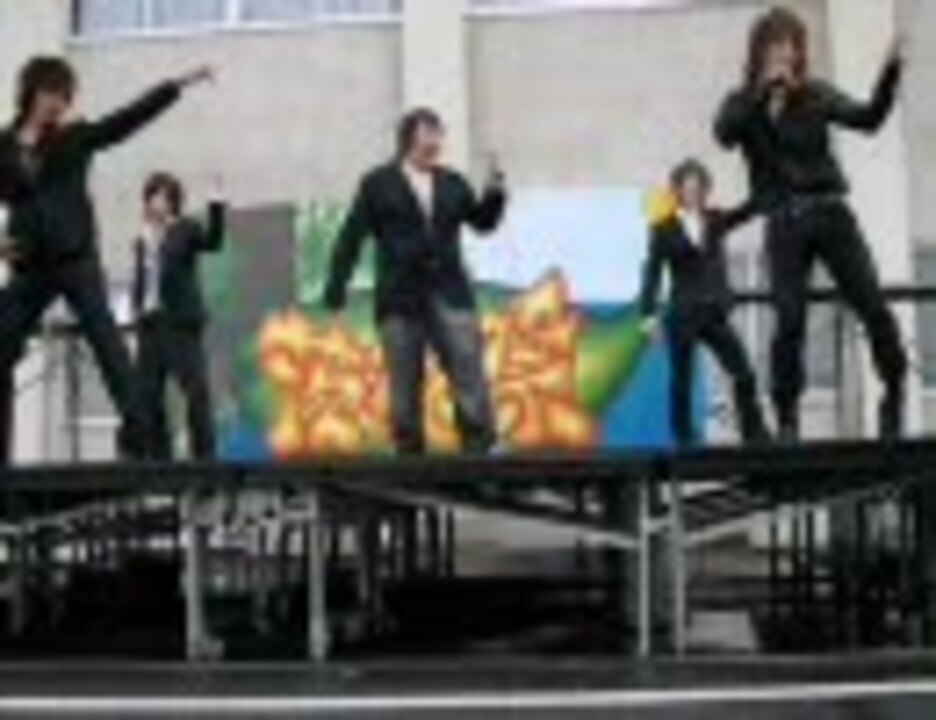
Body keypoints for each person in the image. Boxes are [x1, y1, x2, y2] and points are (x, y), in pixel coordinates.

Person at [0, 56, 214, 461]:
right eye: (51, 95)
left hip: (76, 260)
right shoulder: (4, 145)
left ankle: (144, 445)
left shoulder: (73, 137)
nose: (58, 104)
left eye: (64, 97)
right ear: (32, 93)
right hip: (30, 266)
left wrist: (176, 85)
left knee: (109, 347)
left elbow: (126, 121)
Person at [714, 7, 908, 441]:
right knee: (789, 320)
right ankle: (787, 419)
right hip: (784, 221)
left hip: (831, 213)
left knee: (873, 305)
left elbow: (869, 119)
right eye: (777, 47)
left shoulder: (815, 95)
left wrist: (890, 72)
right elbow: (723, 134)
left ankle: (894, 392)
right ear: (760, 52)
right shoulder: (742, 103)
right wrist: (762, 98)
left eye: (792, 47)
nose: (786, 55)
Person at [323, 108, 508, 455]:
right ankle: (410, 457)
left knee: (468, 369)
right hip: (399, 296)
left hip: (450, 292)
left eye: (439, 134)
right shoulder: (377, 183)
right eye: (429, 133)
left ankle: (481, 445)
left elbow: (482, 222)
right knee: (404, 382)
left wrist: (495, 192)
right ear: (409, 137)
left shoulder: (453, 183)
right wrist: (336, 287)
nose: (436, 141)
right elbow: (352, 236)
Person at [639, 159, 769, 447]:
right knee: (682, 378)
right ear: (678, 191)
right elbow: (652, 272)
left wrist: (764, 184)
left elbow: (746, 211)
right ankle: (684, 439)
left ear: (705, 190)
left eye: (699, 188)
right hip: (682, 312)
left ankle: (754, 432)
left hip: (713, 311)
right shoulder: (662, 228)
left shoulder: (716, 219)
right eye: (688, 188)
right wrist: (647, 315)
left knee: (743, 371)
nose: (694, 193)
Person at [132, 173, 226, 460]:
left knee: (195, 390)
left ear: (173, 201)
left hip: (178, 322)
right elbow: (142, 279)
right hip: (150, 323)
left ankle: (204, 457)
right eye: (153, 196)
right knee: (149, 396)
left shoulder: (185, 229)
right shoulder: (143, 236)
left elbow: (213, 241)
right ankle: (159, 458)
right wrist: (136, 313)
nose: (157, 202)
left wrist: (216, 204)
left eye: (163, 196)